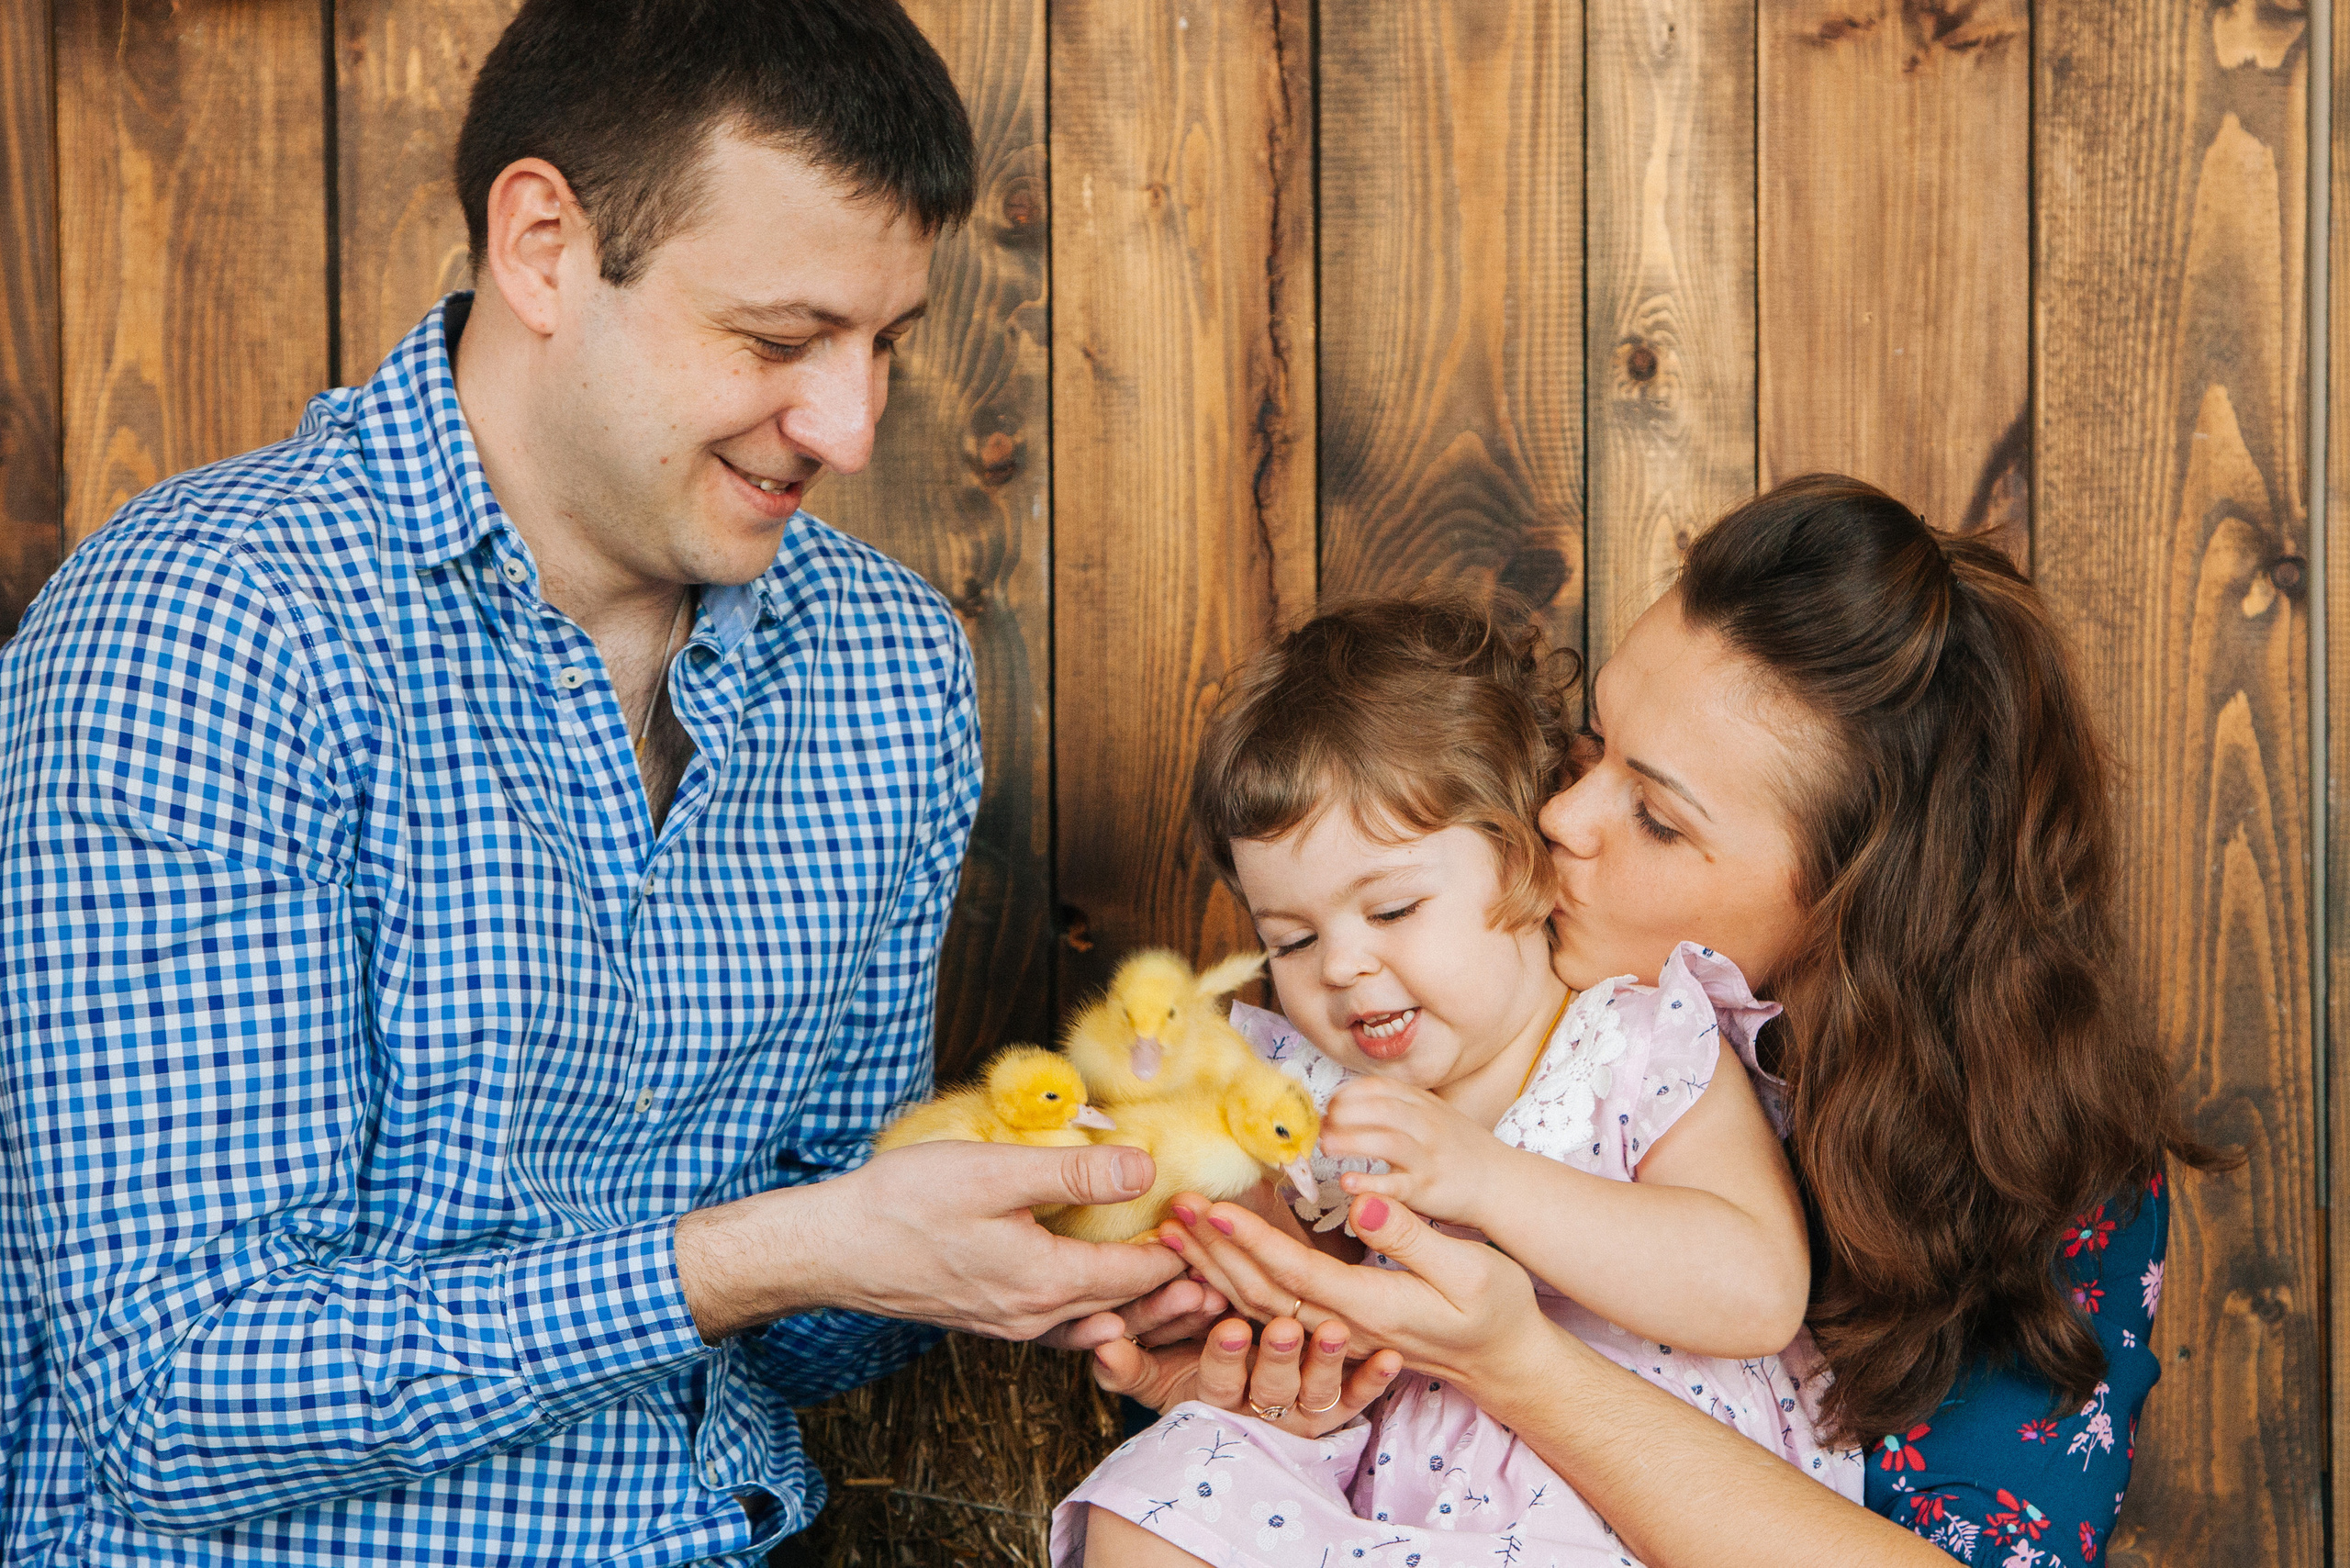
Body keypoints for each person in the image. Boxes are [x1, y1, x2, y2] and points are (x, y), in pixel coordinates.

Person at [0, 3, 1210, 1562]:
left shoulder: (889, 670)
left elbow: (798, 1320)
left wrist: (1079, 1274)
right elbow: (175, 1398)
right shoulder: (215, 631)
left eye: (885, 345)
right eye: (779, 340)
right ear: (545, 245)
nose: (848, 427)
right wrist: (751, 1253)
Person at [1085, 476, 2217, 1568]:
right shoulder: (1422, 1013)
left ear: (1848, 907)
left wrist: (1514, 1354)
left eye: (1658, 819)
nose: (1560, 815)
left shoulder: (2010, 1175)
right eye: (1590, 741)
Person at [1053, 600, 1860, 1564]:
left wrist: (1488, 1178)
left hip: (1616, 1491)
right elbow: (1300, 1268)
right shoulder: (1303, 1086)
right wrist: (1203, 1249)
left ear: (1525, 864)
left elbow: (1755, 1292)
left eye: (1391, 908)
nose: (1342, 966)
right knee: (1163, 1485)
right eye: (1292, 940)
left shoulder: (1631, 1042)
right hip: (1380, 1483)